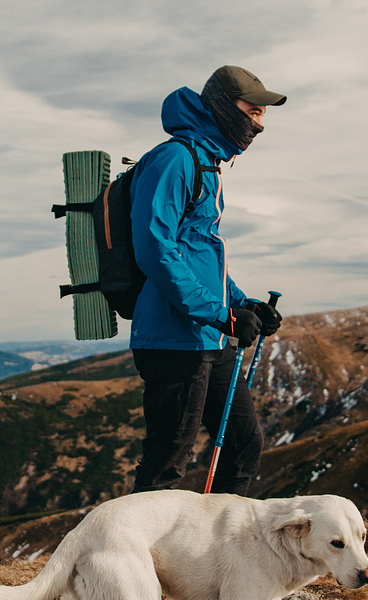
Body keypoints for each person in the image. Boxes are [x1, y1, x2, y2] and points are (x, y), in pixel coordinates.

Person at [128, 66, 286, 495]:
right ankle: (134, 559)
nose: (258, 123)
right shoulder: (175, 160)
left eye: (261, 114)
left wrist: (244, 305)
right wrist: (220, 314)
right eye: (252, 111)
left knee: (242, 445)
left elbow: (201, 254)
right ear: (221, 106)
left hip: (207, 338)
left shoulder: (207, 164)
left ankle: (216, 557)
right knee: (167, 462)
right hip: (173, 339)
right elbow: (155, 250)